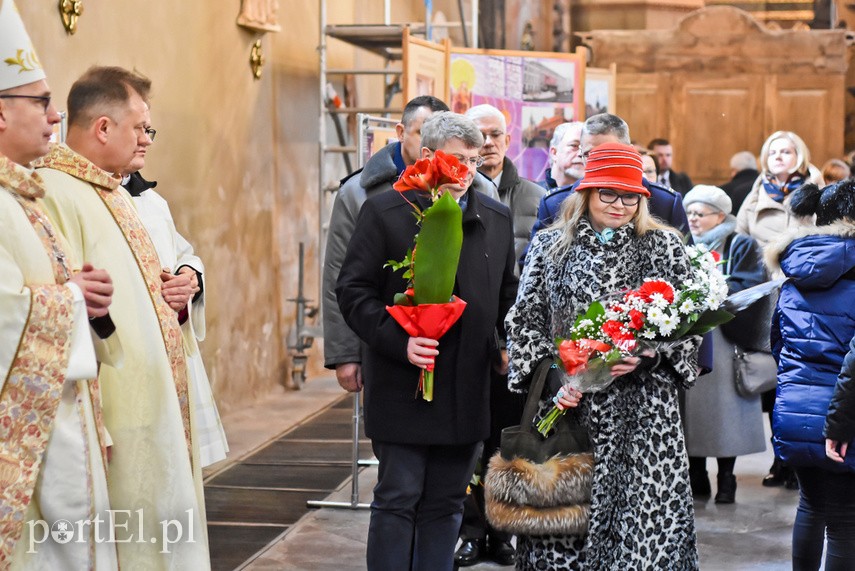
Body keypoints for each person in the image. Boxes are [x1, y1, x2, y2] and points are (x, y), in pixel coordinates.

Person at [36, 67, 210, 568]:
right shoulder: (54, 191)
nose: (147, 141)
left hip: (149, 402)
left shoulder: (114, 190)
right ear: (104, 128)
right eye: (140, 128)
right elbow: (69, 308)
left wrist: (183, 285)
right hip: (112, 408)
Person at [336, 111, 518, 571]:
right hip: (403, 381)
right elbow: (353, 291)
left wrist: (502, 343)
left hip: (466, 386)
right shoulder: (385, 211)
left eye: (474, 161)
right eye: (457, 160)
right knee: (398, 497)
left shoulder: (494, 216)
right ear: (429, 156)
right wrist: (401, 342)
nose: (467, 172)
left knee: (447, 502)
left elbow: (505, 296)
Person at [506, 143, 702, 569]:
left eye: (630, 196)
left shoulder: (664, 247)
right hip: (568, 413)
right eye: (608, 193)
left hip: (645, 414)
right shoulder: (550, 247)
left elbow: (690, 326)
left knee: (645, 534)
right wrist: (557, 376)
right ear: (586, 193)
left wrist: (649, 356)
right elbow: (524, 320)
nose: (619, 204)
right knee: (561, 531)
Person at [0, 4, 118, 567]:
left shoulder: (22, 197)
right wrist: (74, 298)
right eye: (41, 102)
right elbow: (5, 314)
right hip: (24, 444)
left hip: (62, 419)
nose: (53, 117)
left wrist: (77, 289)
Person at [453, 104, 543, 566]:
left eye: (495, 134)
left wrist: (513, 342)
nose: (487, 142)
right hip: (467, 344)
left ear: (509, 141)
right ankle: (470, 530)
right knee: (470, 443)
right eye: (477, 134)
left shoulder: (534, 195)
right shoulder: (452, 190)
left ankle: (503, 532)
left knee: (506, 445)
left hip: (514, 346)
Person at [322, 96, 449, 393]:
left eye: (441, 136)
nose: (432, 145)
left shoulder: (469, 187)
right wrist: (345, 354)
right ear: (400, 132)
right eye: (422, 132)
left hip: (445, 346)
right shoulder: (359, 193)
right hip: (380, 339)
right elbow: (339, 275)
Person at [766, 180, 855, 570]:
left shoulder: (795, 271)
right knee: (845, 521)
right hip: (843, 416)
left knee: (812, 504)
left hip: (794, 407)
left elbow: (778, 343)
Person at [735, 130, 824, 489]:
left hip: (804, 292)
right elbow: (740, 234)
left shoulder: (814, 190)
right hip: (764, 294)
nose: (779, 157)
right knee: (772, 378)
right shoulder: (758, 191)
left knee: (801, 376)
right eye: (773, 152)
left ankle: (802, 462)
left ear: (799, 156)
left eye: (786, 151)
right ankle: (780, 460)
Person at [124, 170, 229, 467]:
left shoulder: (151, 200)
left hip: (169, 340)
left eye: (148, 131)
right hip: (134, 347)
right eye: (139, 130)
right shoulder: (88, 198)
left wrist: (189, 276)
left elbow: (184, 253)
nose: (146, 140)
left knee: (177, 465)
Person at [680, 185, 767, 504]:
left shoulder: (739, 243)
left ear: (720, 216)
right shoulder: (682, 242)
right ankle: (697, 475)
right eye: (689, 213)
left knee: (726, 419)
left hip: (727, 340)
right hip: (691, 340)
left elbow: (751, 285)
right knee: (692, 414)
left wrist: (714, 285)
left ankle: (727, 478)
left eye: (700, 214)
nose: (693, 219)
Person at [539, 121, 585, 191]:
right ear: (554, 153)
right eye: (574, 145)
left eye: (587, 148)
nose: (581, 153)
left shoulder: (599, 197)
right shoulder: (532, 195)